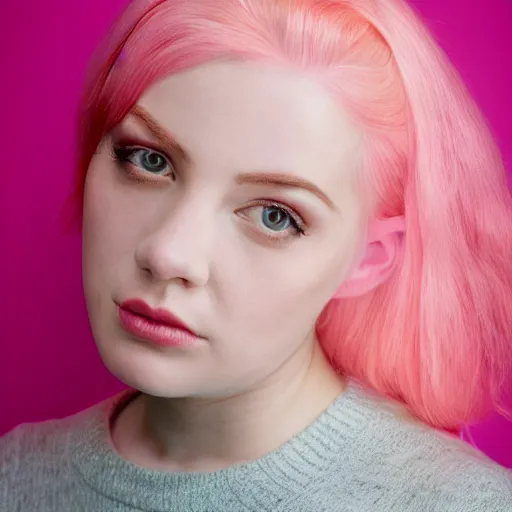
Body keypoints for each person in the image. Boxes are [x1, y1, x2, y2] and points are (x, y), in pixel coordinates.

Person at [1, 0, 512, 510]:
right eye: (149, 161)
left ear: (369, 259)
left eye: (274, 215)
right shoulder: (16, 477)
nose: (169, 255)